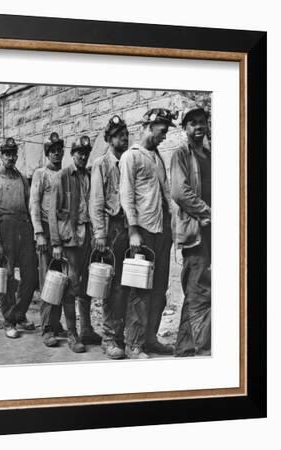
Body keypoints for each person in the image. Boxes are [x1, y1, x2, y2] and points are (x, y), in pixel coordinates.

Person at [119, 108, 176, 359]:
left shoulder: (156, 156)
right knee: (140, 291)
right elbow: (126, 195)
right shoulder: (131, 157)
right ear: (149, 127)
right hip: (143, 231)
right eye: (162, 131)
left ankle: (150, 337)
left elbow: (165, 193)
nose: (164, 137)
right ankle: (134, 343)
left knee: (159, 289)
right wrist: (133, 231)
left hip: (162, 231)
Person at [49, 136, 103, 353]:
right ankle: (72, 333)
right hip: (70, 239)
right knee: (71, 286)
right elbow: (53, 213)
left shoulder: (90, 175)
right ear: (72, 154)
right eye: (79, 153)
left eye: (86, 153)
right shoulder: (62, 177)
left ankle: (87, 329)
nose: (83, 156)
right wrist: (56, 243)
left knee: (87, 285)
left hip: (88, 237)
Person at [0, 137, 39, 339]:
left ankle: (20, 313)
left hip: (24, 227)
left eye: (13, 153)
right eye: (6, 154)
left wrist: (34, 232)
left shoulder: (22, 179)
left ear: (17, 155)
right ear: (1, 156)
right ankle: (9, 319)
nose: (10, 157)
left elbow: (30, 205)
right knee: (7, 276)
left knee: (31, 275)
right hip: (5, 227)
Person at [170, 106, 212, 356]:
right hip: (195, 232)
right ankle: (197, 349)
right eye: (192, 123)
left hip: (211, 231)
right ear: (185, 128)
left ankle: (186, 347)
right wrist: (207, 213)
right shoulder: (181, 155)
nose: (198, 127)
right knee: (197, 291)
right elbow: (179, 191)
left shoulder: (210, 155)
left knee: (201, 290)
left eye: (202, 122)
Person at [89, 115, 130, 359]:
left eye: (125, 134)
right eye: (118, 135)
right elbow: (96, 201)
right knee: (110, 285)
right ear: (109, 139)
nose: (123, 138)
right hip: (110, 228)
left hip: (127, 228)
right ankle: (109, 337)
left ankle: (122, 334)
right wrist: (100, 234)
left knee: (126, 285)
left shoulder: (128, 161)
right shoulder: (101, 164)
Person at [29, 132, 66, 347]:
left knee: (62, 280)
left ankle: (56, 321)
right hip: (46, 233)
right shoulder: (40, 174)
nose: (56, 153)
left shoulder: (65, 174)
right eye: (52, 150)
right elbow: (34, 204)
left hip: (62, 232)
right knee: (48, 281)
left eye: (59, 149)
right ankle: (46, 327)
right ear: (47, 153)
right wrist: (39, 233)